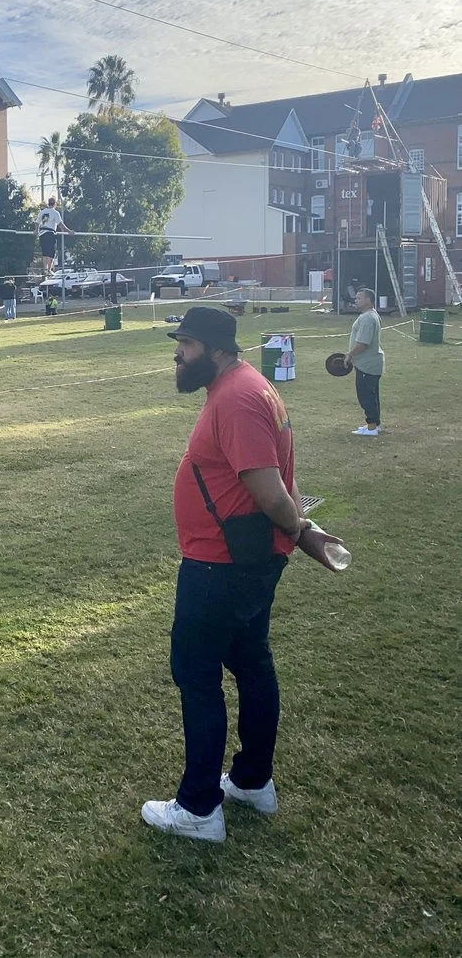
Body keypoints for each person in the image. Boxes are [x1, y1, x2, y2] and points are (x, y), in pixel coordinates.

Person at [140, 306, 345, 842]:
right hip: (242, 561)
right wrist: (303, 532)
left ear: (212, 347)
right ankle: (252, 782)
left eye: (184, 343)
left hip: (221, 566)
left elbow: (270, 489)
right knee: (251, 662)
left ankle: (199, 808)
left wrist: (303, 531)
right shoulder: (243, 386)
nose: (177, 353)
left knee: (197, 673)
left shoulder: (236, 397)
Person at [345, 288, 383, 436]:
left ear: (368, 300)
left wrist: (349, 355)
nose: (356, 300)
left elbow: (362, 343)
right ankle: (375, 425)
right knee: (372, 395)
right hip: (370, 363)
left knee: (366, 396)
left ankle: (372, 428)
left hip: (367, 364)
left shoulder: (368, 318)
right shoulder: (370, 315)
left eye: (359, 298)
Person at [35, 198, 66, 273]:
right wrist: (69, 231)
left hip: (42, 234)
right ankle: (48, 269)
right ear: (55, 204)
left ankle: (45, 269)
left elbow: (37, 223)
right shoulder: (55, 213)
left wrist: (36, 230)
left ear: (48, 203)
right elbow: (61, 225)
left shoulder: (42, 212)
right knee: (51, 252)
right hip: (49, 233)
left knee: (45, 252)